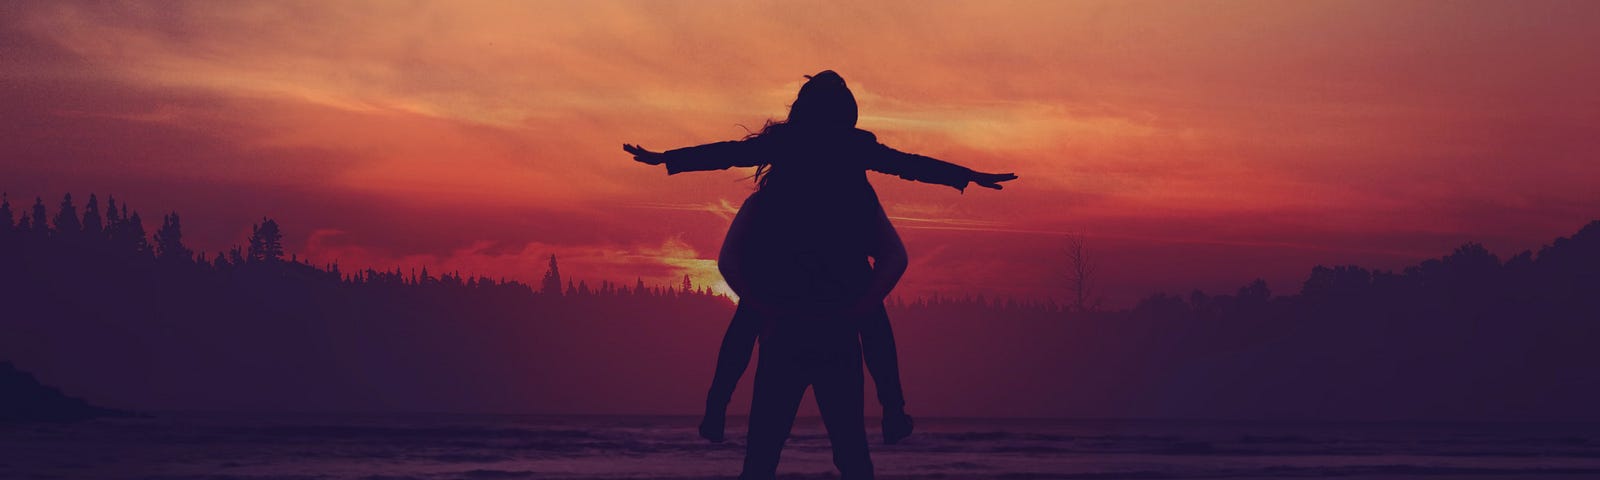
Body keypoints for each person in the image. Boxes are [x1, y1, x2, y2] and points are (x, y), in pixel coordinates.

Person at [626, 70, 1015, 479]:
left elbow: (727, 154)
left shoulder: (790, 145)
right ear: (845, 112)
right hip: (833, 295)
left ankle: (717, 407)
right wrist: (966, 175)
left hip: (790, 296)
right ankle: (893, 409)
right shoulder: (851, 148)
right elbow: (906, 165)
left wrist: (668, 159)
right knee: (851, 440)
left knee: (764, 449)